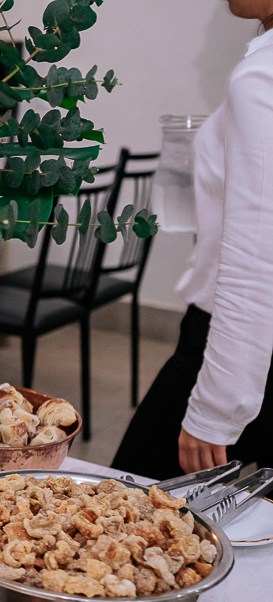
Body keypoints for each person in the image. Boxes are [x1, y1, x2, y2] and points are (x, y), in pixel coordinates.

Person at [112, 0, 273, 480]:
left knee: (131, 512)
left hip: (231, 338)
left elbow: (257, 262)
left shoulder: (261, 77)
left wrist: (213, 411)